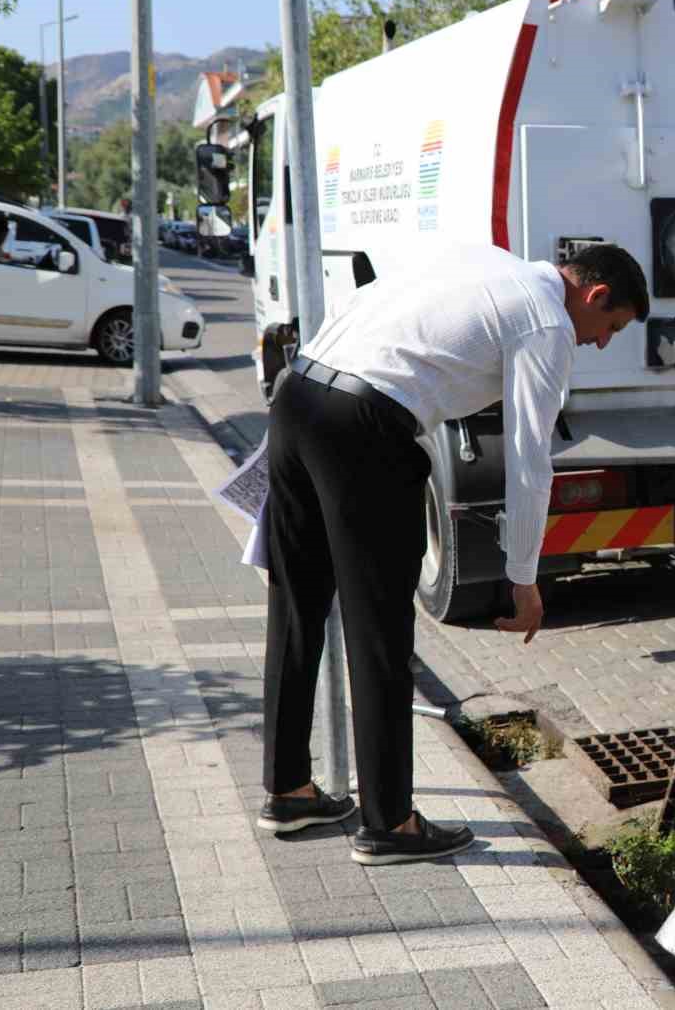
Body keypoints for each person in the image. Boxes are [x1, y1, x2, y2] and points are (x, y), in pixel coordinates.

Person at [259, 242, 649, 865]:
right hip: (364, 428)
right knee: (378, 630)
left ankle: (288, 790)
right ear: (596, 296)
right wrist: (524, 578)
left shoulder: (485, 260)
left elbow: (367, 298)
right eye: (611, 328)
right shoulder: (547, 320)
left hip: (299, 393)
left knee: (296, 609)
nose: (600, 342)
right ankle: (389, 823)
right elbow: (528, 459)